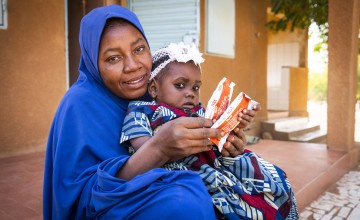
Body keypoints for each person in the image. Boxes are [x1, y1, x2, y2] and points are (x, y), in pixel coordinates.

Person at [43, 4, 259, 220]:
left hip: (179, 177)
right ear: (94, 63)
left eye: (139, 49)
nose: (132, 66)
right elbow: (79, 200)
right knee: (185, 203)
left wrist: (226, 144)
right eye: (113, 58)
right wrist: (159, 148)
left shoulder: (152, 91)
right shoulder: (79, 105)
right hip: (111, 205)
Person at [120, 42, 299, 219]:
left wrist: (235, 124)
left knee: (272, 178)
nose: (190, 93)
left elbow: (217, 136)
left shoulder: (199, 112)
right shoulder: (142, 110)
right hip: (177, 174)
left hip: (213, 165)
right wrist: (171, 143)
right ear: (154, 88)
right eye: (180, 85)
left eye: (195, 87)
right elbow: (142, 148)